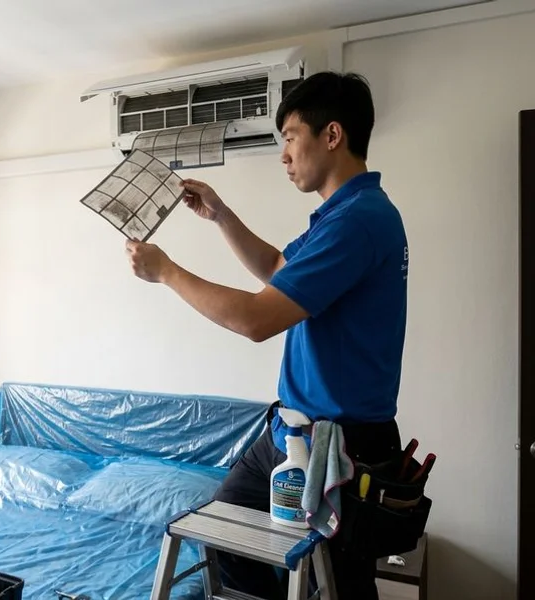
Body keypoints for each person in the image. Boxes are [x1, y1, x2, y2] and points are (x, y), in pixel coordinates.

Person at [125, 70, 409, 600]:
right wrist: (221, 216)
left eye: (289, 138)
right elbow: (279, 268)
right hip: (293, 433)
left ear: (332, 135)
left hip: (342, 447)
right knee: (226, 534)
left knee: (342, 583)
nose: (283, 154)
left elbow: (256, 319)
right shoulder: (339, 217)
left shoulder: (359, 221)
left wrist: (167, 272)